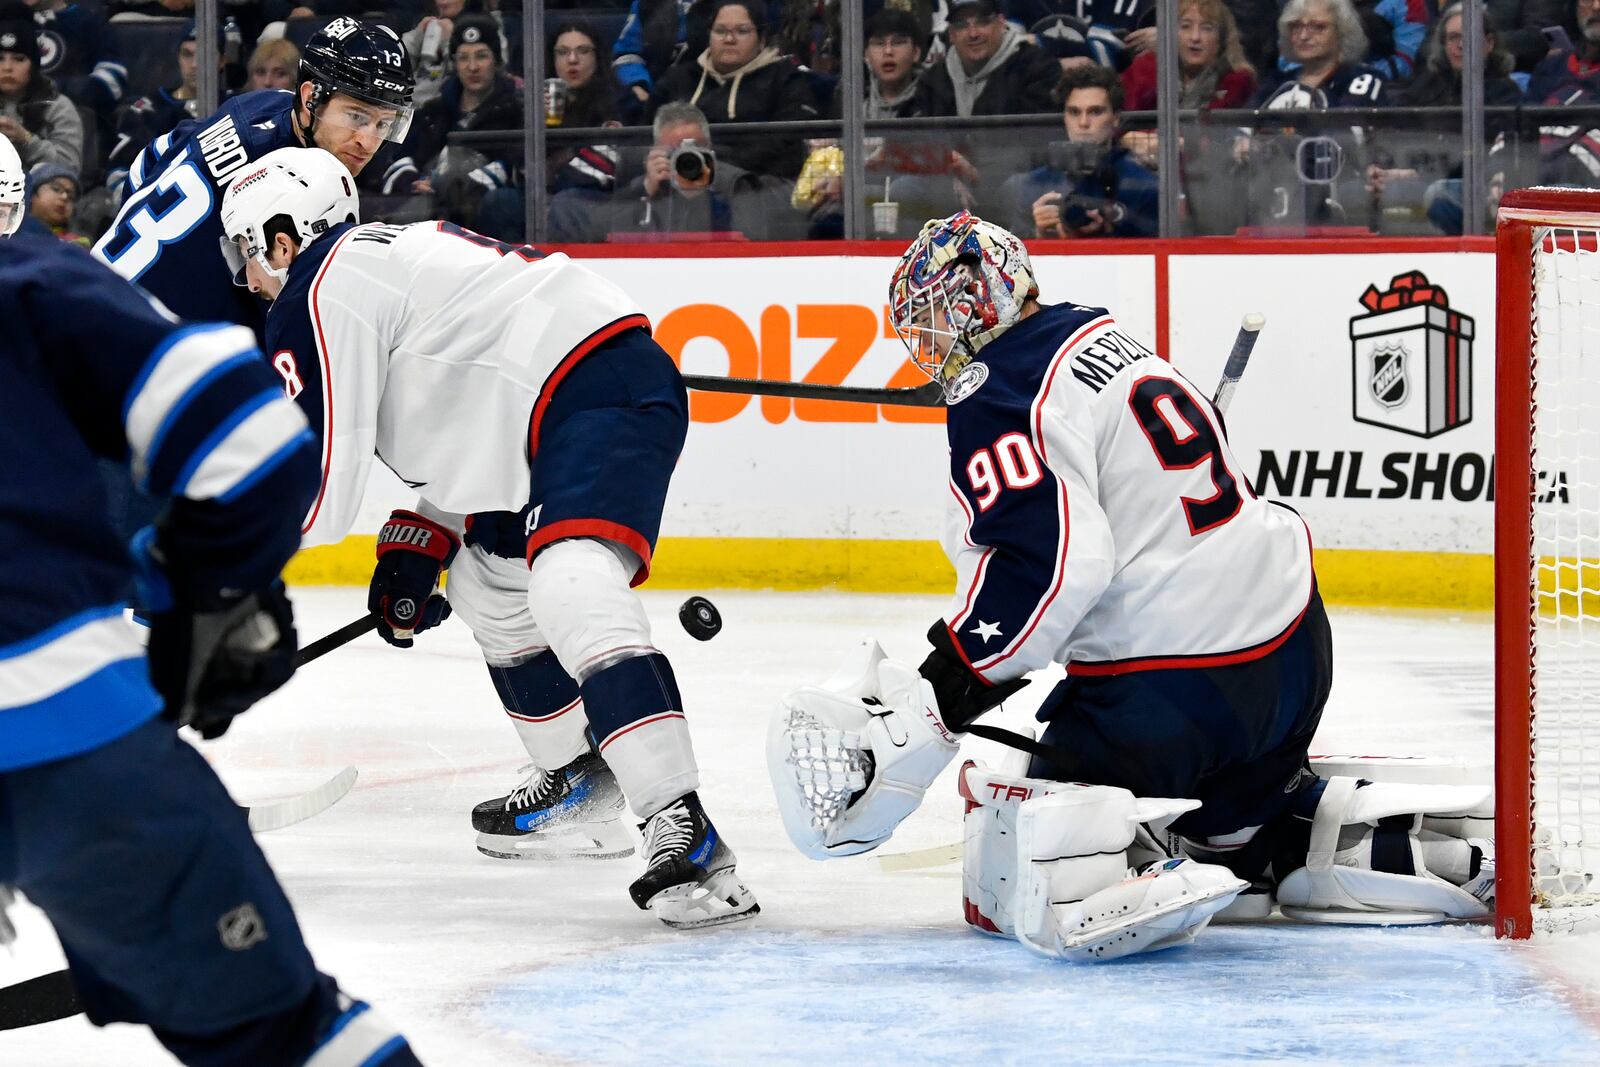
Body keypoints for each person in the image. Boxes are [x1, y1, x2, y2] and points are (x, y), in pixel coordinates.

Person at [767, 211, 1496, 961]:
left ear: (978, 299)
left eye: (937, 318)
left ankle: (1119, 872)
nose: (930, 346)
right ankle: (1301, 834)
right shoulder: (1096, 332)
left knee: (1035, 830)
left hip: (1176, 688)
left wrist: (947, 685)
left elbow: (1051, 568)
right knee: (1234, 833)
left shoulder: (998, 391)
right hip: (1294, 648)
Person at [220, 146, 760, 931]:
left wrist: (209, 565)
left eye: (250, 257)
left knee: (570, 580)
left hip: (588, 393)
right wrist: (418, 542)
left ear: (281, 237)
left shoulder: (321, 284)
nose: (250, 281)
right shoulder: (377, 269)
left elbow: (318, 496)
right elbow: (470, 407)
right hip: (556, 405)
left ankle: (684, 827)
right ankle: (580, 777)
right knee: (490, 584)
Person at [0, 231, 422, 1065]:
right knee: (282, 1033)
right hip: (61, 741)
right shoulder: (28, 281)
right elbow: (256, 443)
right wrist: (198, 595)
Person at [91, 17, 414, 334]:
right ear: (309, 97)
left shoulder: (261, 105)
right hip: (140, 343)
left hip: (100, 281)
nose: (369, 141)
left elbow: (153, 159)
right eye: (356, 116)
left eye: (385, 123)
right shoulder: (299, 181)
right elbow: (294, 318)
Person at [1368, 3, 1522, 233]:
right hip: (1414, 177)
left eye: (1469, 37)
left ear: (1488, 43)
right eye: (1453, 38)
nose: (1460, 45)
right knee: (1360, 190)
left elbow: (1489, 160)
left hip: (1466, 187)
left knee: (1437, 193)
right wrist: (1381, 168)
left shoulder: (1505, 93)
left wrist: (1418, 173)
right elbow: (1394, 131)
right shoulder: (1426, 87)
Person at [380, 14, 521, 229]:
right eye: (463, 57)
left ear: (496, 60)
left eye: (481, 56)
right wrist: (411, 180)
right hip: (427, 212)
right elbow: (394, 155)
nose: (472, 67)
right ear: (454, 62)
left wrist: (465, 185)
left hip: (480, 219)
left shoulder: (515, 110)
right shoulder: (433, 110)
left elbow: (517, 163)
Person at [655, 1, 818, 180]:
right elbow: (646, 136)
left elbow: (790, 144)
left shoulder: (785, 78)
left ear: (761, 39)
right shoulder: (678, 77)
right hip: (679, 183)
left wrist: (717, 165)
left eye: (742, 31)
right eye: (720, 31)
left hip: (755, 186)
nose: (729, 39)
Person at [1002, 65, 1158, 239]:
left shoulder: (1143, 186)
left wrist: (1110, 232)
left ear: (1116, 119)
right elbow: (1014, 258)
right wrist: (1039, 235)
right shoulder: (1032, 186)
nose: (1083, 123)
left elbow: (1152, 256)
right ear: (1064, 117)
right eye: (1074, 112)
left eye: (1095, 112)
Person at [104, 21, 224, 191]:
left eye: (206, 55)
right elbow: (120, 172)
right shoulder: (147, 111)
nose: (196, 65)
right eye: (187, 54)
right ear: (178, 58)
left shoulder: (238, 106)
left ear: (222, 60)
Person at [915, 0, 1059, 118]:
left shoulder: (1038, 68)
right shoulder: (932, 82)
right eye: (961, 25)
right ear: (951, 34)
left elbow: (1036, 138)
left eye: (982, 22)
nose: (973, 33)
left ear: (1001, 24)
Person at [1120, 0, 1257, 111]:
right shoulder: (1144, 70)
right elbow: (1117, 122)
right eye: (1185, 26)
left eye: (1207, 28)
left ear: (1221, 38)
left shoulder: (1237, 82)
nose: (1195, 37)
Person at [0, 4, 81, 174]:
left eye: (19, 59)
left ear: (34, 66)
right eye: (0, 59)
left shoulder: (57, 106)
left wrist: (26, 139)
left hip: (38, 197)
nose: (7, 67)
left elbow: (70, 169)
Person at [18, 158, 85, 242]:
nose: (65, 197)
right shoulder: (8, 230)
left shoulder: (76, 244)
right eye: (56, 189)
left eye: (71, 197)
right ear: (32, 193)